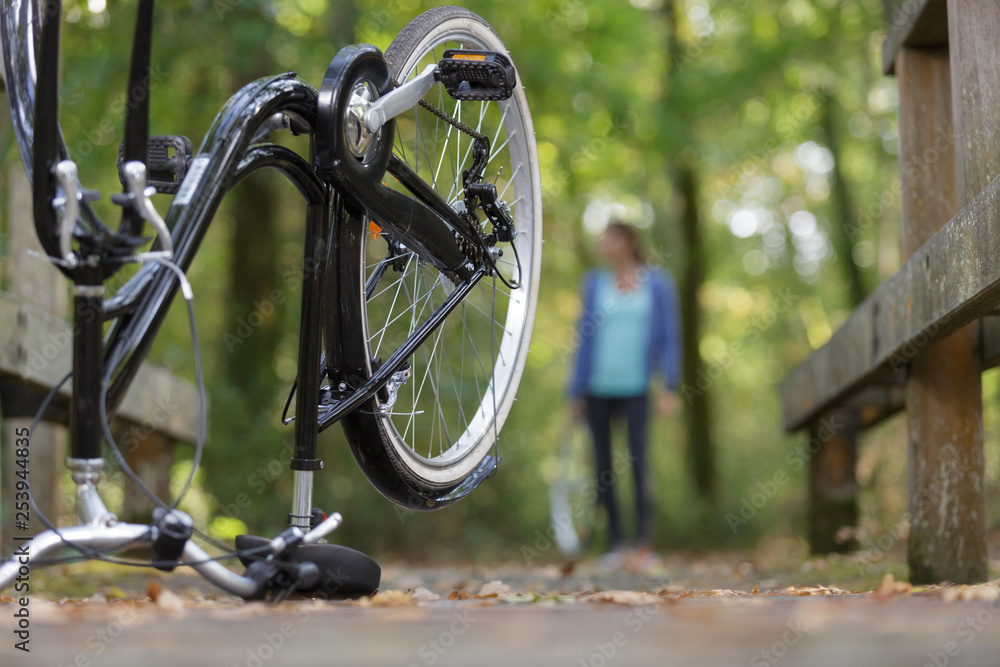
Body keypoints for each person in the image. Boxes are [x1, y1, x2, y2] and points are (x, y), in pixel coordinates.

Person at [569, 221, 682, 568]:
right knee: (602, 468)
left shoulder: (658, 284)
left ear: (629, 241)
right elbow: (583, 338)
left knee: (639, 462)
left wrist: (669, 385)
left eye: (611, 237)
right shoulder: (593, 284)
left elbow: (669, 335)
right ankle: (617, 545)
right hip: (597, 390)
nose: (604, 243)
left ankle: (644, 544)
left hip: (637, 390)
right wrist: (576, 390)